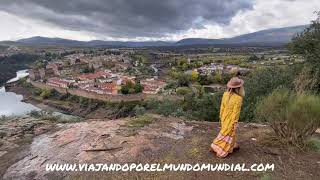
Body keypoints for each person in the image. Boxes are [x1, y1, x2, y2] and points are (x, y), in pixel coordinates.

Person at [210, 77, 245, 158]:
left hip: (224, 116)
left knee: (227, 132)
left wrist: (221, 117)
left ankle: (232, 147)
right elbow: (236, 112)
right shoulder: (238, 98)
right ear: (239, 88)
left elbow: (222, 107)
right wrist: (235, 122)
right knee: (227, 133)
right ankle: (217, 147)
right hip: (231, 118)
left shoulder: (225, 94)